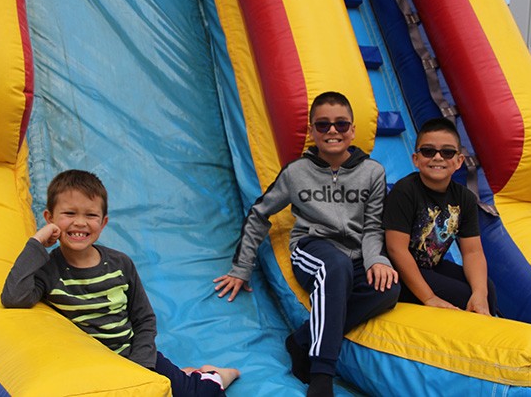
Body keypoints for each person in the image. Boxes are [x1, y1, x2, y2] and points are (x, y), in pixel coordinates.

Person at [213, 91, 399, 397]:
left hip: (355, 256)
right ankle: (321, 374)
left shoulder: (373, 172)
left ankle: (301, 340)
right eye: (323, 125)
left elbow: (372, 226)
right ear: (312, 131)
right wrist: (242, 267)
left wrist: (377, 260)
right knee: (333, 265)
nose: (333, 132)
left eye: (341, 124)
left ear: (352, 130)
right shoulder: (296, 172)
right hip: (313, 250)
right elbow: (260, 213)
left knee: (388, 289)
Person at [1, 169, 239, 396]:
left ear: (103, 223)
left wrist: (140, 366)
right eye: (69, 214)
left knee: (194, 393)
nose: (80, 223)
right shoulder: (48, 269)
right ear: (49, 218)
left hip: (134, 356)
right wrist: (36, 242)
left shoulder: (120, 264)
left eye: (91, 215)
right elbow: (13, 297)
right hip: (92, 368)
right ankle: (184, 374)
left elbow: (144, 318)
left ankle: (215, 375)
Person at [383, 117, 497, 315]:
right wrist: (429, 297)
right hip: (396, 271)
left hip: (431, 267)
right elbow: (396, 250)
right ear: (416, 159)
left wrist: (480, 294)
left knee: (487, 290)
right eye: (428, 151)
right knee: (461, 296)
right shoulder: (405, 191)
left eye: (447, 152)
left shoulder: (465, 198)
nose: (438, 157)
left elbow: (472, 252)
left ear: (459, 161)